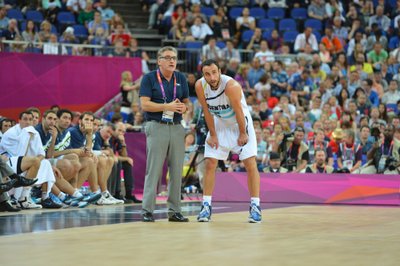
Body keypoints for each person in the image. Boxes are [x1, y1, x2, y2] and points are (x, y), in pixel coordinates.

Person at [195, 59, 262, 223]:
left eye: (214, 72)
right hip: (219, 124)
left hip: (240, 123)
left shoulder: (231, 86)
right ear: (203, 74)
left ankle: (255, 206)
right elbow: (207, 111)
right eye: (207, 74)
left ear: (220, 71)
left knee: (250, 163)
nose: (211, 77)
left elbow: (239, 111)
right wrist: (212, 134)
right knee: (210, 163)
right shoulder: (200, 86)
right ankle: (206, 206)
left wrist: (242, 133)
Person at [139, 46, 190, 223]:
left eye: (174, 58)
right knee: (154, 169)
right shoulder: (149, 78)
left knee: (176, 170)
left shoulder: (181, 78)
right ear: (159, 61)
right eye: (167, 57)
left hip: (176, 126)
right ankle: (147, 210)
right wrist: (166, 107)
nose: (171, 61)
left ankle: (175, 210)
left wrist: (185, 107)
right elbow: (145, 105)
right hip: (157, 125)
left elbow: (186, 101)